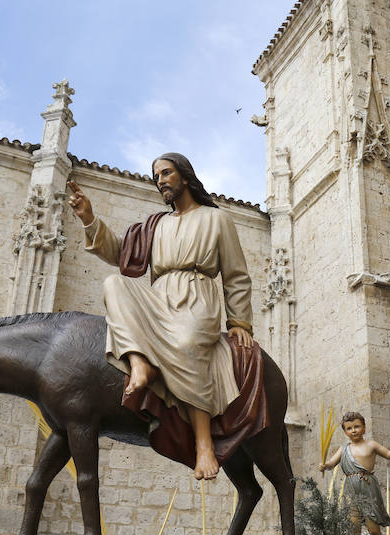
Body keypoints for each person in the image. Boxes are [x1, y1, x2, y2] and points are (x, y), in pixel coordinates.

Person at [67, 152, 253, 480]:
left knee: (187, 342)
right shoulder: (157, 224)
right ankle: (140, 363)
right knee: (114, 284)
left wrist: (239, 323)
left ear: (184, 175)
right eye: (156, 177)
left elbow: (236, 275)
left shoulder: (216, 219)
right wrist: (88, 219)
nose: (161, 181)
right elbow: (118, 253)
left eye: (166, 173)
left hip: (197, 297)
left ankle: (204, 443)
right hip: (160, 296)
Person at [320, 411, 390, 535]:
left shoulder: (371, 445)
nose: (353, 430)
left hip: (368, 488)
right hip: (351, 489)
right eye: (349, 428)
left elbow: (389, 454)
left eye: (357, 426)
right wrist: (325, 465)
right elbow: (331, 463)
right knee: (353, 526)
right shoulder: (344, 449)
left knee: (373, 528)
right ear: (345, 431)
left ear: (364, 427)